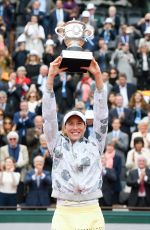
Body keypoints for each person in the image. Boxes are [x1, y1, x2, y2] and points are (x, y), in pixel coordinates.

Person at [42, 56, 108, 230]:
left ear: (86, 127)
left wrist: (98, 77)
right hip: (64, 211)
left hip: (92, 209)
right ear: (63, 127)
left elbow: (102, 116)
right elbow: (48, 117)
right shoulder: (55, 144)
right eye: (70, 123)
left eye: (79, 123)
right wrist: (50, 78)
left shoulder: (95, 144)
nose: (75, 127)